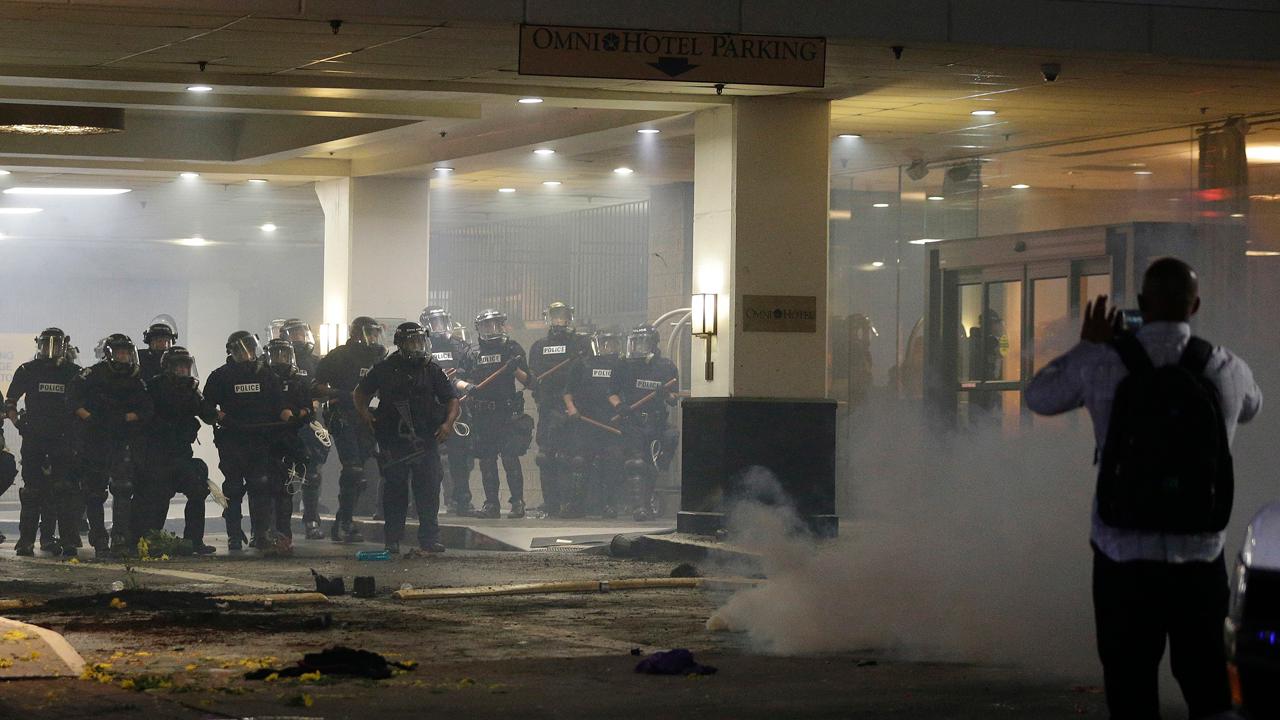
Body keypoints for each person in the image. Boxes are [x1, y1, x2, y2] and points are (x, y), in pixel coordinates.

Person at [1025, 258, 1262, 720]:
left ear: (1140, 305)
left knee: (1130, 684)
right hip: (1200, 556)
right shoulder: (1224, 366)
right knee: (1208, 686)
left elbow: (1040, 397)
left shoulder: (1106, 362)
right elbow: (1253, 407)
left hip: (1122, 555)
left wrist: (1088, 346)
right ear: (1195, 305)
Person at [354, 322, 459, 554]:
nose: (417, 347)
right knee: (395, 491)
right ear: (401, 344)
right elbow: (360, 393)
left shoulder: (432, 369)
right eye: (412, 342)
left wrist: (447, 424)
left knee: (429, 490)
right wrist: (366, 416)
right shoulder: (384, 369)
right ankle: (392, 539)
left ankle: (429, 539)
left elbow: (452, 398)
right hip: (394, 440)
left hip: (427, 438)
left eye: (421, 342)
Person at [203, 331, 291, 552]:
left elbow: (280, 404)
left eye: (250, 350)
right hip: (233, 438)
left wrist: (291, 418)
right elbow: (205, 406)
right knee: (233, 488)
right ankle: (233, 534)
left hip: (261, 439)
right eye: (241, 351)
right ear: (232, 352)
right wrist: (218, 416)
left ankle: (260, 534)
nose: (246, 354)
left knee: (260, 485)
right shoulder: (221, 376)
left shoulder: (267, 375)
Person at [69, 333, 153, 557]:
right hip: (95, 438)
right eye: (120, 352)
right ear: (110, 354)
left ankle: (120, 536)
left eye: (126, 352)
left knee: (123, 488)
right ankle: (98, 538)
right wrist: (88, 417)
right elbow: (72, 397)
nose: (124, 356)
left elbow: (147, 409)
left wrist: (125, 418)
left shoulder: (137, 377)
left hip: (122, 438)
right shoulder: (93, 374)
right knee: (95, 492)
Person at [5, 328, 82, 556]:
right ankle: (26, 541)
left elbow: (84, 405)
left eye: (55, 345)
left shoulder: (74, 372)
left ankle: (62, 540)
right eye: (45, 344)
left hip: (63, 439)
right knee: (32, 491)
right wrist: (19, 423)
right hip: (35, 437)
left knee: (63, 490)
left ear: (64, 346)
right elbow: (10, 402)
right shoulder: (27, 370)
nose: (50, 350)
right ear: (38, 344)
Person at [314, 316, 386, 541]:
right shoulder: (338, 355)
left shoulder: (379, 357)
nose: (373, 338)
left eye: (376, 333)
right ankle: (345, 523)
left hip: (367, 418)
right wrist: (340, 394)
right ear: (357, 333)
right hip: (344, 415)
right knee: (352, 469)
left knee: (361, 474)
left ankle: (341, 520)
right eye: (370, 333)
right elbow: (317, 386)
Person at [138, 346, 214, 555]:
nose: (183, 371)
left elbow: (207, 414)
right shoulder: (153, 387)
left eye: (185, 367)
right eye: (178, 367)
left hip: (181, 455)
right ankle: (150, 539)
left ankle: (194, 541)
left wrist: (219, 412)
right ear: (168, 368)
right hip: (157, 456)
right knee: (158, 496)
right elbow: (145, 417)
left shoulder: (191, 390)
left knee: (198, 489)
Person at [464, 309, 535, 519]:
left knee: (510, 458)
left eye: (496, 324)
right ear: (479, 328)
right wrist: (468, 387)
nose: (492, 329)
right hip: (482, 415)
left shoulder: (512, 349)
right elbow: (457, 379)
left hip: (506, 413)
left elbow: (530, 382)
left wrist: (514, 369)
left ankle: (518, 503)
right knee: (486, 461)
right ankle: (491, 504)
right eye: (487, 325)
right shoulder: (472, 352)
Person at [528, 301, 589, 517]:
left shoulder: (581, 343)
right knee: (545, 456)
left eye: (562, 316)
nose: (558, 320)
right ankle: (550, 503)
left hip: (572, 408)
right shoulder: (538, 347)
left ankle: (572, 504)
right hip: (547, 407)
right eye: (555, 316)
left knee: (572, 457)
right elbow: (534, 379)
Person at [562, 327, 627, 518]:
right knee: (580, 461)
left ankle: (609, 505)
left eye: (613, 343)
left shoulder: (621, 366)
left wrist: (621, 413)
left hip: (610, 422)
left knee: (611, 462)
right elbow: (567, 392)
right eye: (605, 344)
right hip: (585, 422)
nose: (609, 348)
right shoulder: (581, 364)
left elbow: (623, 392)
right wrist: (572, 409)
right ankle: (576, 505)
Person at [618, 325, 680, 521]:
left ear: (653, 343)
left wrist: (665, 393)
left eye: (643, 342)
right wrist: (620, 406)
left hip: (656, 420)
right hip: (633, 420)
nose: (638, 347)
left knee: (670, 438)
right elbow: (612, 392)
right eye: (635, 342)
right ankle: (639, 507)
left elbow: (673, 399)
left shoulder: (666, 366)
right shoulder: (625, 367)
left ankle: (652, 490)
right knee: (636, 463)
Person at [421, 306, 477, 516]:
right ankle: (427, 504)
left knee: (460, 459)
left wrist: (465, 384)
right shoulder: (421, 347)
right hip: (430, 411)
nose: (440, 327)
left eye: (443, 321)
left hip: (457, 409)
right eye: (435, 322)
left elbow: (472, 373)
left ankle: (462, 501)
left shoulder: (460, 346)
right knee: (430, 460)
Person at [265, 338, 313, 553]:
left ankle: (284, 534)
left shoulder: (298, 380)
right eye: (276, 355)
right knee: (267, 487)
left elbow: (308, 407)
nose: (281, 359)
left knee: (286, 489)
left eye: (285, 355)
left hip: (290, 438)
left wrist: (298, 415)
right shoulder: (263, 378)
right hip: (266, 438)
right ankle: (266, 532)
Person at [281, 318, 328, 539]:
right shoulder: (274, 362)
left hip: (308, 424)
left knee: (312, 474)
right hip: (281, 426)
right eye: (294, 333)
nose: (298, 337)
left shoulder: (315, 362)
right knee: (280, 475)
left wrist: (317, 402)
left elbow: (323, 388)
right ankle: (278, 526)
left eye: (301, 333)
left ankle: (311, 520)